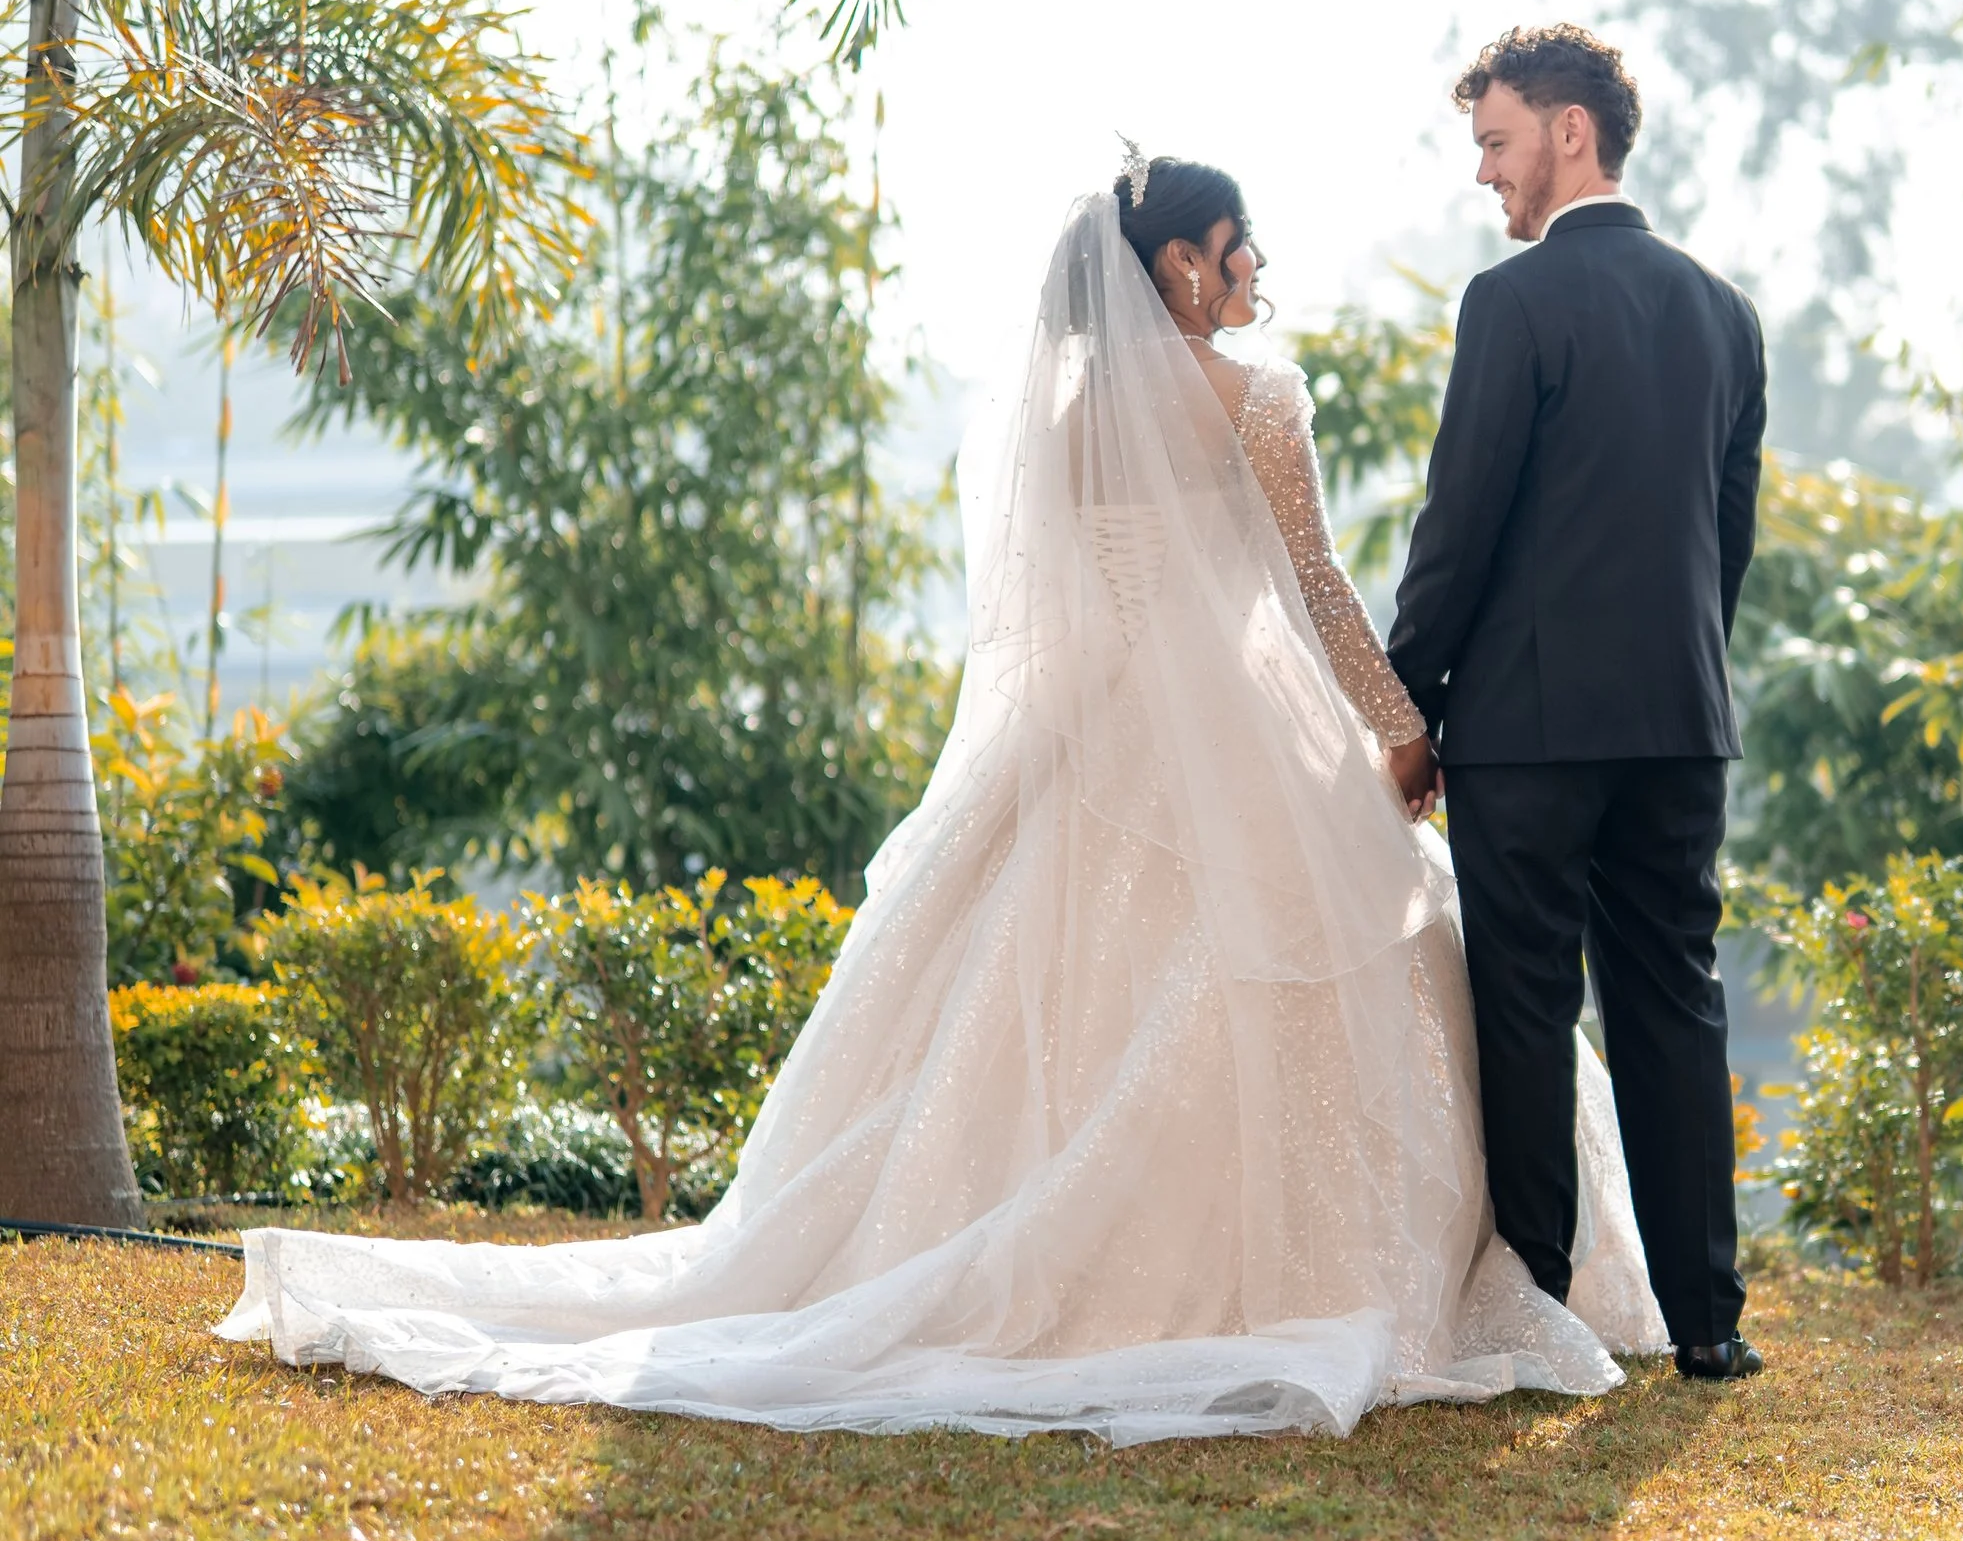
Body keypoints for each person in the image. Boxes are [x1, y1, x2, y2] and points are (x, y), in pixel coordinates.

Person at [218, 162, 1666, 1442]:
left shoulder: (1068, 412)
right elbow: (1317, 592)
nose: (1256, 274)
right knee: (1363, 967)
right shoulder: (1260, 401)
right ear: (1178, 266)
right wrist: (1406, 732)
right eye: (1239, 251)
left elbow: (1064, 614)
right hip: (1242, 739)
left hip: (1098, 741)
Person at [1386, 25, 1768, 1381]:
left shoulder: (1513, 304)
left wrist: (1409, 700)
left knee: (1527, 1008)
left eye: (1495, 141)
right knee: (1677, 1001)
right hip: (1678, 722)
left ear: (1568, 131)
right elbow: (1726, 543)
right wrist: (1675, 674)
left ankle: (1539, 1306)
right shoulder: (1727, 313)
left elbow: (1462, 526)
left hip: (1532, 731)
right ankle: (1710, 1320)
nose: (1486, 174)